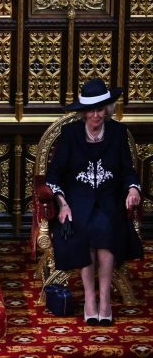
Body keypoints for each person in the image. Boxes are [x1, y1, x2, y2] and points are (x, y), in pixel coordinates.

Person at [46, 78, 143, 326]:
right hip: (77, 199)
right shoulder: (70, 134)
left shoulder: (118, 133)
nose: (96, 115)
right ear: (83, 112)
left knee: (105, 229)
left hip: (110, 199)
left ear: (107, 109)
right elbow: (54, 174)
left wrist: (133, 188)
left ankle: (106, 299)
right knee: (84, 231)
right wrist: (62, 203)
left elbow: (127, 170)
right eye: (91, 110)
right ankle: (90, 298)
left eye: (100, 109)